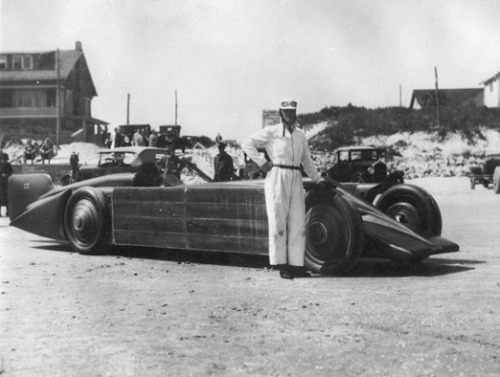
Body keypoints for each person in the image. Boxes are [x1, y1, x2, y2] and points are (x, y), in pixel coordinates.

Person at [242, 98, 321, 279]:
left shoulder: (300, 134)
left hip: (295, 176)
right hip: (278, 176)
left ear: (296, 113)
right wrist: (262, 163)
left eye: (292, 111)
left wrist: (317, 179)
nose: (289, 114)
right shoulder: (272, 131)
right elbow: (247, 143)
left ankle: (296, 264)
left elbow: (307, 159)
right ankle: (281, 264)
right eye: (286, 111)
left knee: (298, 222)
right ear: (280, 113)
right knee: (278, 221)